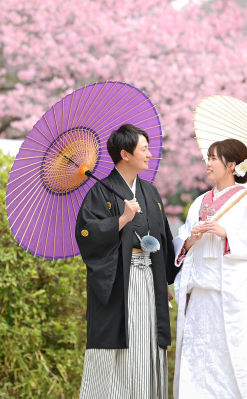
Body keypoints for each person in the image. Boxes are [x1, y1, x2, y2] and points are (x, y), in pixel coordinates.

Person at [75, 123, 180, 399]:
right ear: (125, 154)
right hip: (121, 280)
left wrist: (164, 279)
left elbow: (163, 238)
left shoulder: (151, 192)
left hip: (150, 279)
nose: (149, 154)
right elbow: (87, 236)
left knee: (148, 343)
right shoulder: (101, 193)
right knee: (124, 346)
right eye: (143, 149)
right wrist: (121, 219)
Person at [172, 138, 247, 399]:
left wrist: (226, 232)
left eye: (213, 158)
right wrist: (191, 238)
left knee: (230, 364)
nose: (207, 163)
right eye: (207, 157)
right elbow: (181, 240)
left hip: (228, 299)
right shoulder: (199, 202)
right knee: (199, 363)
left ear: (231, 165)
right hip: (200, 299)